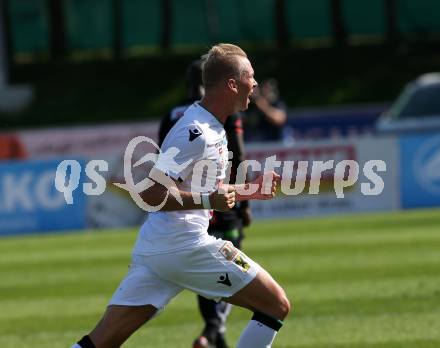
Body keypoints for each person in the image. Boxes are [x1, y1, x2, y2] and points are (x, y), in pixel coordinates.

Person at [71, 43, 290, 348]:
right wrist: (206, 201)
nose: (255, 84)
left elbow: (206, 192)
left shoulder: (210, 127)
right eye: (250, 77)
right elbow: (152, 193)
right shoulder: (195, 131)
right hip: (185, 246)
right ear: (231, 84)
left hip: (157, 249)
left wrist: (250, 191)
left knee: (100, 342)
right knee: (276, 305)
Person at [158, 59, 252, 348]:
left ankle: (215, 336)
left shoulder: (172, 115)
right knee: (243, 279)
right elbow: (237, 153)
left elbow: (163, 162)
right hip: (216, 202)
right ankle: (212, 330)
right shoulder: (218, 113)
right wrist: (243, 202)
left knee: (207, 267)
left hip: (181, 213)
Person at [243, 78, 287, 142]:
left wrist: (262, 105)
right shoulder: (251, 104)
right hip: (257, 142)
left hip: (276, 142)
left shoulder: (276, 103)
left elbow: (280, 120)